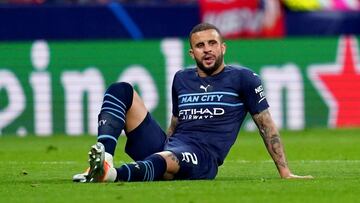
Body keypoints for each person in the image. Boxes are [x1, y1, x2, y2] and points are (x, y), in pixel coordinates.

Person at [73, 22, 313, 183]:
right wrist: (165, 144)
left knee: (166, 159)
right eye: (200, 45)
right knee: (121, 90)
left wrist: (285, 172)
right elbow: (175, 123)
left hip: (203, 157)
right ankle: (104, 159)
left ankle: (110, 174)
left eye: (212, 44)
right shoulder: (181, 78)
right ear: (192, 53)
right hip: (172, 146)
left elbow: (266, 125)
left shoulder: (244, 79)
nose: (207, 50)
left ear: (223, 47)